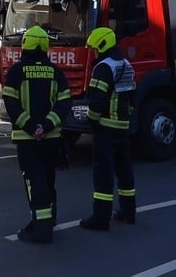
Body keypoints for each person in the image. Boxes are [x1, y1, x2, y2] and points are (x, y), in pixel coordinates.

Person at [1, 25, 71, 244]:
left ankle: (41, 229)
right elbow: (64, 102)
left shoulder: (16, 71)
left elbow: (11, 103)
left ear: (26, 44)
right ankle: (50, 219)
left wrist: (31, 127)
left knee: (35, 180)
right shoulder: (56, 72)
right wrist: (48, 126)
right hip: (52, 138)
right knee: (49, 178)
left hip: (28, 138)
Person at [79, 27, 137, 231]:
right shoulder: (126, 65)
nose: (94, 52)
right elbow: (132, 97)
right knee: (124, 171)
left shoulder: (103, 68)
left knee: (103, 174)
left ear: (102, 45)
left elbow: (98, 100)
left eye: (95, 48)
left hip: (105, 127)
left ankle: (100, 218)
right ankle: (129, 212)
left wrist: (90, 120)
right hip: (122, 126)